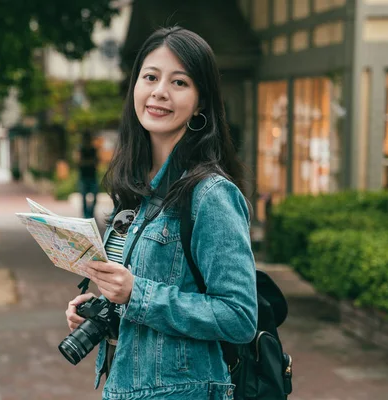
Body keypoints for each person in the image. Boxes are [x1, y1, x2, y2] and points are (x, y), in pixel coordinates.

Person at [65, 27, 258, 400]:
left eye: (179, 82)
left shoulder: (211, 195)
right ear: (135, 87)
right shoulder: (135, 190)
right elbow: (140, 314)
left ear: (200, 102)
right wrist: (102, 313)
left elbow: (239, 317)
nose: (159, 92)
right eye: (150, 77)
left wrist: (137, 294)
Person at [78, 130, 99, 218]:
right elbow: (79, 162)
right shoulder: (81, 149)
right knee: (83, 199)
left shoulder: (93, 150)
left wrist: (86, 162)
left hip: (91, 177)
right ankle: (86, 215)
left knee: (94, 198)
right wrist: (89, 162)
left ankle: (90, 214)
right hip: (84, 177)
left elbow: (96, 162)